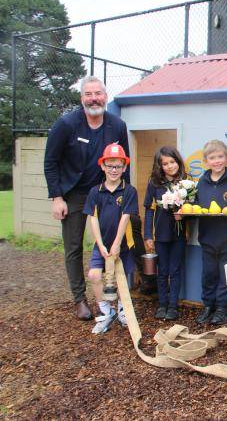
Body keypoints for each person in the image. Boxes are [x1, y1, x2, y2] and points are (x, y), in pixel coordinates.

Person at [44, 76, 130, 321]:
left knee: (115, 240)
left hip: (105, 192)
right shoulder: (66, 124)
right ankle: (80, 299)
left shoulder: (117, 125)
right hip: (74, 194)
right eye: (89, 94)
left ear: (105, 96)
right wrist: (57, 197)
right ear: (82, 98)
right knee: (73, 246)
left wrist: (126, 194)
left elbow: (124, 162)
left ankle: (116, 293)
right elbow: (50, 162)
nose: (94, 99)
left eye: (98, 94)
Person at [83, 143, 138, 334]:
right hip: (102, 245)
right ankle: (107, 312)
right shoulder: (94, 192)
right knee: (94, 275)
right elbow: (94, 219)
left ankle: (123, 311)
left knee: (122, 278)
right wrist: (100, 244)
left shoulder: (129, 191)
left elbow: (125, 218)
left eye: (118, 166)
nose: (114, 170)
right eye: (110, 165)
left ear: (124, 168)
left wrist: (116, 244)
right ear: (103, 166)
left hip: (123, 244)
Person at [194, 140, 227, 325]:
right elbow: (194, 205)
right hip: (207, 237)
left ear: (226, 158)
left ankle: (222, 308)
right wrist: (183, 211)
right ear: (206, 161)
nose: (217, 161)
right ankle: (208, 305)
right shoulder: (202, 182)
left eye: (220, 156)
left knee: (226, 275)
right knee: (209, 274)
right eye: (212, 158)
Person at [143, 146, 188, 321]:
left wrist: (183, 216)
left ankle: (173, 306)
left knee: (175, 270)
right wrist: (148, 235)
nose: (169, 166)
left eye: (172, 162)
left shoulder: (186, 183)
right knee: (162, 271)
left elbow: (194, 209)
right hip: (160, 234)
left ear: (178, 162)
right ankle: (162, 304)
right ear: (160, 166)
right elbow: (148, 210)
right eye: (165, 163)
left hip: (179, 234)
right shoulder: (154, 183)